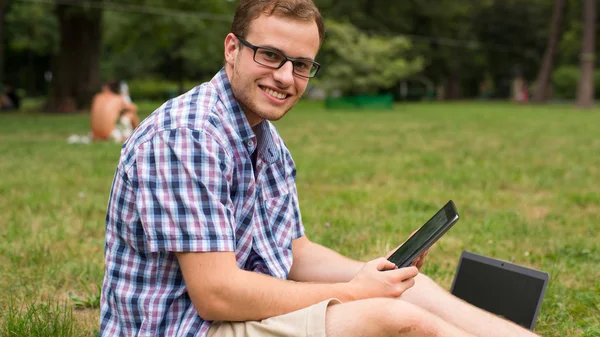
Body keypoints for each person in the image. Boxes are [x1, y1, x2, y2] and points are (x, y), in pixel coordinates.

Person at [100, 1, 544, 336]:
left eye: (301, 65)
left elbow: (294, 252)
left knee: (410, 287)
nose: (285, 77)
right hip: (183, 327)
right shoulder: (189, 135)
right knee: (392, 316)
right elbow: (216, 294)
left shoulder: (262, 137)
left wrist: (373, 270)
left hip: (221, 316)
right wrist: (355, 293)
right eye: (270, 55)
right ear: (232, 48)